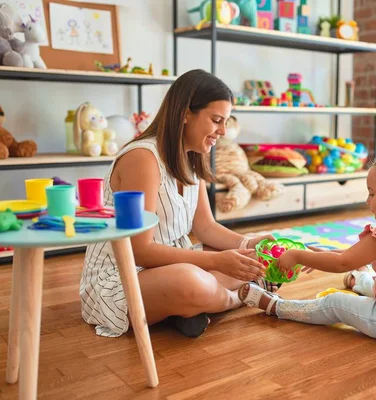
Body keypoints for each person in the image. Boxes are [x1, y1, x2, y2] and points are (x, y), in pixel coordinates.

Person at [80, 69, 278, 339]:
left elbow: (206, 228)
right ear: (186, 113)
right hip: (122, 276)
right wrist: (217, 261)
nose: (222, 131)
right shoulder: (143, 159)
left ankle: (190, 309)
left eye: (226, 122)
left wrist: (249, 245)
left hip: (170, 267)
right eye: (217, 120)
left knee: (251, 257)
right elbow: (141, 252)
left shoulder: (192, 157)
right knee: (192, 282)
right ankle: (243, 296)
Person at [238, 151, 376, 344]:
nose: (367, 200)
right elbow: (356, 255)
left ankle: (276, 306)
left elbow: (343, 262)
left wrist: (297, 256)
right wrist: (321, 254)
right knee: (374, 280)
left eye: (372, 193)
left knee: (335, 303)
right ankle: (359, 280)